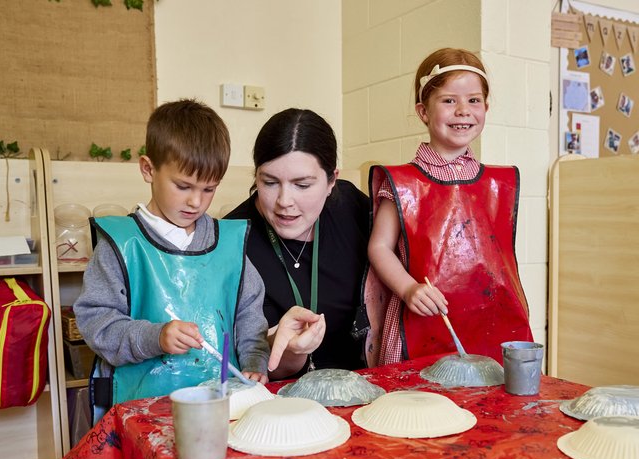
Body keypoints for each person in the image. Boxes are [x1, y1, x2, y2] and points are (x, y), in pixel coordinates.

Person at [75, 99, 269, 420]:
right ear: (148, 169)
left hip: (222, 410)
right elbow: (98, 324)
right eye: (183, 186)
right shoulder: (122, 244)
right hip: (140, 413)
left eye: (209, 189)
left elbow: (249, 315)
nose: (196, 201)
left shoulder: (229, 244)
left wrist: (254, 364)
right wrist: (156, 337)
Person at [365, 48, 532, 366]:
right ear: (423, 111)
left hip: (488, 325)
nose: (463, 111)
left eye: (474, 100)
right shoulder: (402, 182)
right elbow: (379, 247)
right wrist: (409, 289)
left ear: (486, 108)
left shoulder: (500, 183)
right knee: (418, 397)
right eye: (449, 100)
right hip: (422, 319)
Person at [226, 108, 370, 380]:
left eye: (302, 185)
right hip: (282, 396)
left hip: (366, 383)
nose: (284, 201)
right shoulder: (233, 240)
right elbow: (253, 364)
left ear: (332, 181)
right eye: (269, 182)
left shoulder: (351, 207)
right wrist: (291, 350)